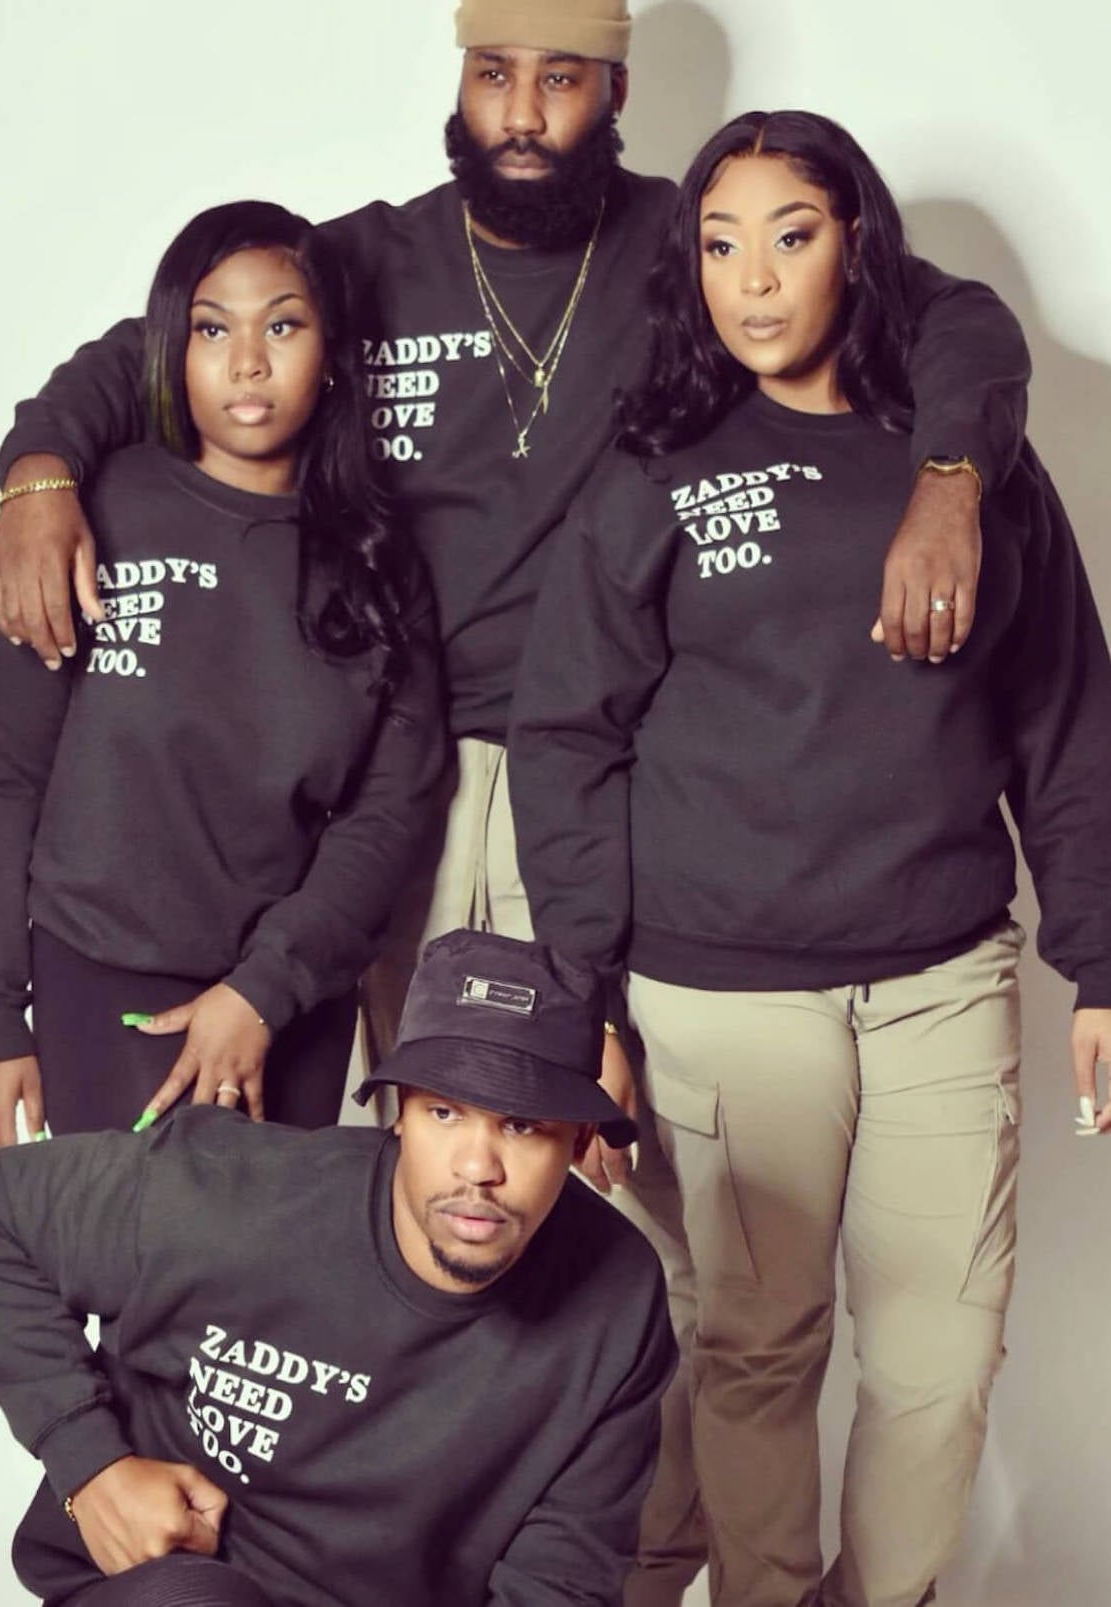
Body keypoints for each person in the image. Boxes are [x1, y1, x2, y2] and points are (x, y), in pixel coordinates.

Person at [0, 3, 1032, 1595]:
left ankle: (639, 1554)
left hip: (599, 772)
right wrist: (41, 474)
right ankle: (342, 1534)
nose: (525, 112)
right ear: (456, 87)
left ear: (617, 92)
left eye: (561, 78)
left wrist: (953, 478)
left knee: (619, 1191)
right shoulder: (365, 263)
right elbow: (157, 344)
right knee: (400, 1169)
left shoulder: (703, 240)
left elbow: (953, 322)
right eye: (494, 75)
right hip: (391, 779)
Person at [508, 108, 1111, 1607]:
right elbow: (567, 734)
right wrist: (584, 988)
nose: (753, 279)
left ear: (859, 247)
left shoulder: (968, 464)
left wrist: (1103, 955)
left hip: (938, 983)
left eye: (794, 234)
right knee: (753, 1352)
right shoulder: (655, 469)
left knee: (941, 1358)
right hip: (719, 997)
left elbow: (1067, 721)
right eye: (719, 242)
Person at [0, 928, 676, 1607]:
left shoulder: (618, 1299)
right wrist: (90, 1466)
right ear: (400, 1111)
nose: (477, 1168)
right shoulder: (233, 1193)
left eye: (523, 1125)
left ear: (579, 1137)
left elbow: (562, 1574)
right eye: (446, 1113)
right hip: (185, 1583)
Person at [0, 201, 444, 1145]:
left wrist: (264, 990)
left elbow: (391, 813)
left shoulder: (381, 562)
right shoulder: (94, 514)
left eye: (284, 326)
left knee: (266, 1282)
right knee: (124, 1277)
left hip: (282, 995)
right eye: (213, 328)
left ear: (333, 348)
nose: (247, 362)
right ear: (173, 348)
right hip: (92, 977)